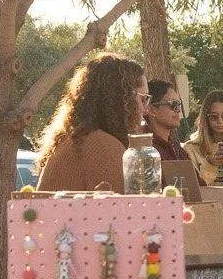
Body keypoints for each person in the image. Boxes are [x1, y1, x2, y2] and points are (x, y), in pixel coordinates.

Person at [35, 54, 149, 192]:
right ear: (122, 100)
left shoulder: (74, 140)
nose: (145, 109)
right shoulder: (103, 146)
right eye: (143, 99)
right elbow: (128, 210)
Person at [186, 89, 223, 185]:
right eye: (214, 117)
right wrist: (210, 164)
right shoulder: (191, 148)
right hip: (207, 199)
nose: (220, 121)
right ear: (206, 118)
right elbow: (193, 186)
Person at [144, 79, 192, 163]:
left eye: (178, 104)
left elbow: (194, 176)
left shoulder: (176, 148)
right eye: (173, 104)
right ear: (152, 110)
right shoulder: (146, 150)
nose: (178, 110)